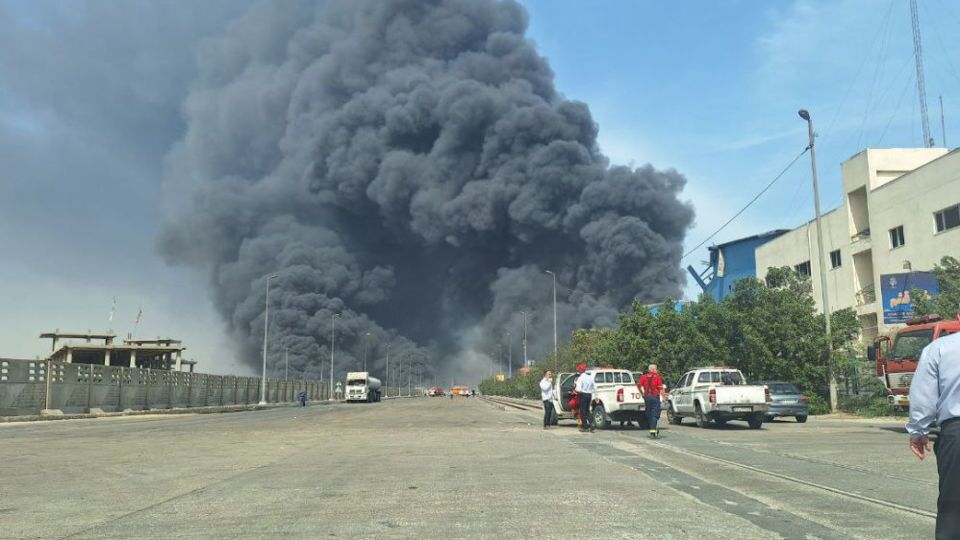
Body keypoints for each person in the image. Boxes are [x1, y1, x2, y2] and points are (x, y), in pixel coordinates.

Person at [906, 332, 960, 539]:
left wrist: (919, 431)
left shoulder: (940, 348)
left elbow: (924, 395)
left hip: (956, 434)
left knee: (954, 508)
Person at [638, 364, 665, 439]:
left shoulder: (643, 376)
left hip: (647, 397)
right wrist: (664, 398)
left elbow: (639, 386)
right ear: (653, 370)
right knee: (655, 415)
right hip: (655, 397)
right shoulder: (657, 377)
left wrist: (642, 394)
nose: (657, 370)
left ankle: (652, 429)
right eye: (656, 369)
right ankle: (653, 432)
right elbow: (661, 389)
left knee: (649, 414)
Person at [574, 363, 596, 432]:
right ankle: (592, 424)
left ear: (580, 370)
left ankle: (585, 426)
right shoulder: (590, 377)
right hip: (589, 395)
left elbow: (578, 389)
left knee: (583, 412)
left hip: (583, 395)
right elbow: (594, 387)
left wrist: (575, 391)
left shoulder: (580, 378)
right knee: (587, 411)